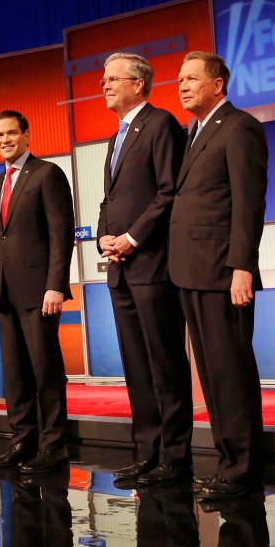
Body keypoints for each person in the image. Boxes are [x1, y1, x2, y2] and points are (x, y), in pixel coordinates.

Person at [170, 51, 268, 500]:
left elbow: (248, 204)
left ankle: (243, 468)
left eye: (192, 78)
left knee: (230, 371)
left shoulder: (239, 126)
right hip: (191, 272)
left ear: (218, 84)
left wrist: (242, 267)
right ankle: (230, 460)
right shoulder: (195, 132)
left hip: (222, 271)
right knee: (210, 374)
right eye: (179, 79)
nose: (183, 86)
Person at [97, 52, 194, 487]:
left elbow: (168, 192)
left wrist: (132, 238)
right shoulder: (116, 136)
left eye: (112, 78)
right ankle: (147, 452)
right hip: (120, 268)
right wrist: (103, 234)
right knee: (136, 365)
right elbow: (111, 200)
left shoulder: (161, 125)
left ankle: (174, 456)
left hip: (152, 265)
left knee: (164, 364)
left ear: (138, 84)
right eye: (103, 79)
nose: (104, 85)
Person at [0, 110, 74, 475]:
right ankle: (22, 441)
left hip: (39, 292)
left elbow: (61, 234)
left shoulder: (47, 174)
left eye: (11, 133)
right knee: (15, 373)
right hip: (4, 294)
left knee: (45, 370)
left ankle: (53, 446)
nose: (5, 140)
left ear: (27, 136)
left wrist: (55, 286)